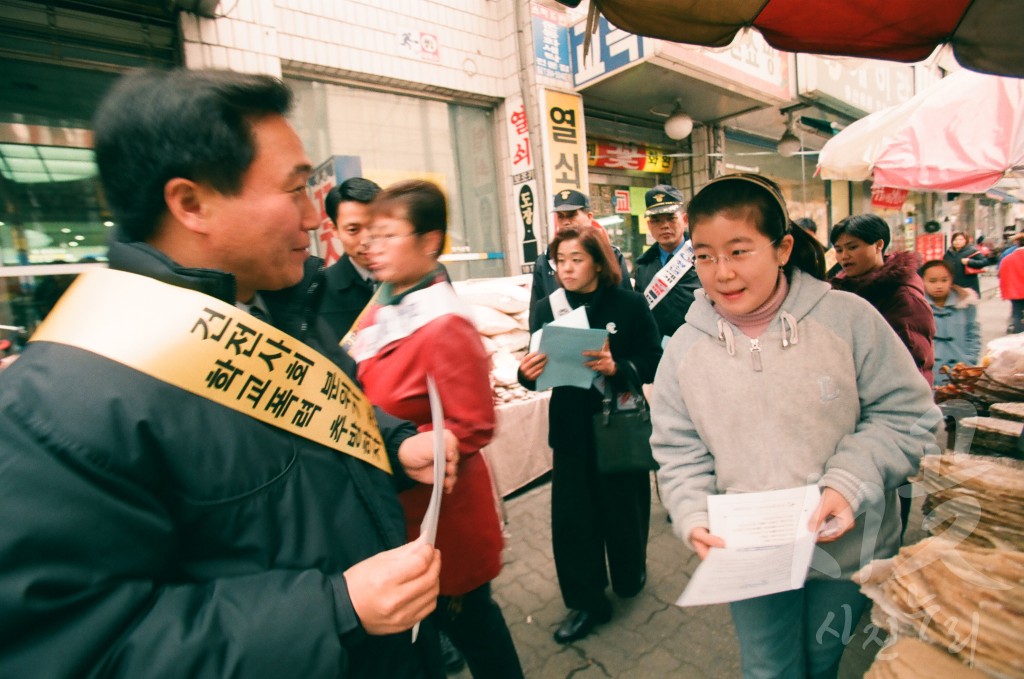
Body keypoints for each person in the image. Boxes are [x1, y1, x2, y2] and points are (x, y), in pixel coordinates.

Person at [0, 69, 460, 679]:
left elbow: (319, 420)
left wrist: (396, 444)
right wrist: (334, 612)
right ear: (192, 203)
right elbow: (76, 647)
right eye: (295, 191)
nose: (315, 219)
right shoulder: (58, 403)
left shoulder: (279, 307)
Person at [651, 173, 940, 679]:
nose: (721, 273)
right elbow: (679, 450)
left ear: (782, 248)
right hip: (751, 556)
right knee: (769, 668)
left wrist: (849, 483)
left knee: (824, 659)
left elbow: (909, 414)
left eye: (739, 251)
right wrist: (693, 513)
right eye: (705, 255)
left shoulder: (848, 319)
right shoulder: (683, 350)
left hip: (847, 550)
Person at [349, 179, 524, 679]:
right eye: (369, 236)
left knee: (477, 633)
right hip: (399, 513)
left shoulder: (445, 323)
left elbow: (472, 423)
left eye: (387, 235)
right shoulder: (384, 308)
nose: (371, 247)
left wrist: (403, 446)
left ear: (429, 242)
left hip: (442, 521)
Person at [518, 225, 662, 644]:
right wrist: (525, 375)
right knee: (574, 521)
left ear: (599, 262)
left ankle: (629, 571)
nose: (566, 268)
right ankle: (586, 602)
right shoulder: (549, 307)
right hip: (571, 431)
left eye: (576, 259)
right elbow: (535, 363)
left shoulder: (631, 305)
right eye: (559, 261)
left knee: (624, 510)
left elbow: (653, 361)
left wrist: (618, 367)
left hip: (619, 424)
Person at [829, 214, 936, 386]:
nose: (844, 256)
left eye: (852, 247)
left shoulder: (903, 297)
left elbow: (909, 362)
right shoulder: (844, 290)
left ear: (879, 245)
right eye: (839, 250)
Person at [529, 189, 633, 328]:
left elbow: (625, 304)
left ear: (589, 217)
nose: (566, 222)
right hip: (562, 340)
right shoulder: (545, 260)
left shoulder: (609, 254)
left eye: (572, 215)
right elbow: (536, 313)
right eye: (561, 216)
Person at [632, 184, 702, 343]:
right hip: (658, 351)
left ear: (684, 220)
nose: (664, 226)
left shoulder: (703, 257)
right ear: (649, 226)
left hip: (698, 346)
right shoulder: (643, 266)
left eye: (671, 218)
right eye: (656, 221)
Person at [319, 176, 381, 342]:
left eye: (375, 226)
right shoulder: (319, 291)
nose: (367, 240)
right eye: (354, 229)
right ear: (335, 230)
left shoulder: (418, 277)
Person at [921, 259, 981, 383]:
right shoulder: (917, 306)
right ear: (922, 281)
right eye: (932, 281)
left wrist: (969, 360)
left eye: (944, 280)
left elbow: (973, 334)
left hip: (960, 370)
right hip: (928, 373)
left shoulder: (965, 304)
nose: (939, 285)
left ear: (951, 280)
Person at [943, 230, 988, 295]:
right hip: (953, 287)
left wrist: (969, 262)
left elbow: (984, 262)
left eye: (961, 240)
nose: (957, 242)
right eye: (955, 240)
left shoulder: (972, 251)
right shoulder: (948, 253)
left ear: (966, 241)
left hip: (968, 286)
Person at [999, 233, 1024, 333]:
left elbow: (1001, 275)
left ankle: (1019, 337)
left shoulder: (1007, 259)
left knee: (1017, 314)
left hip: (1015, 292)